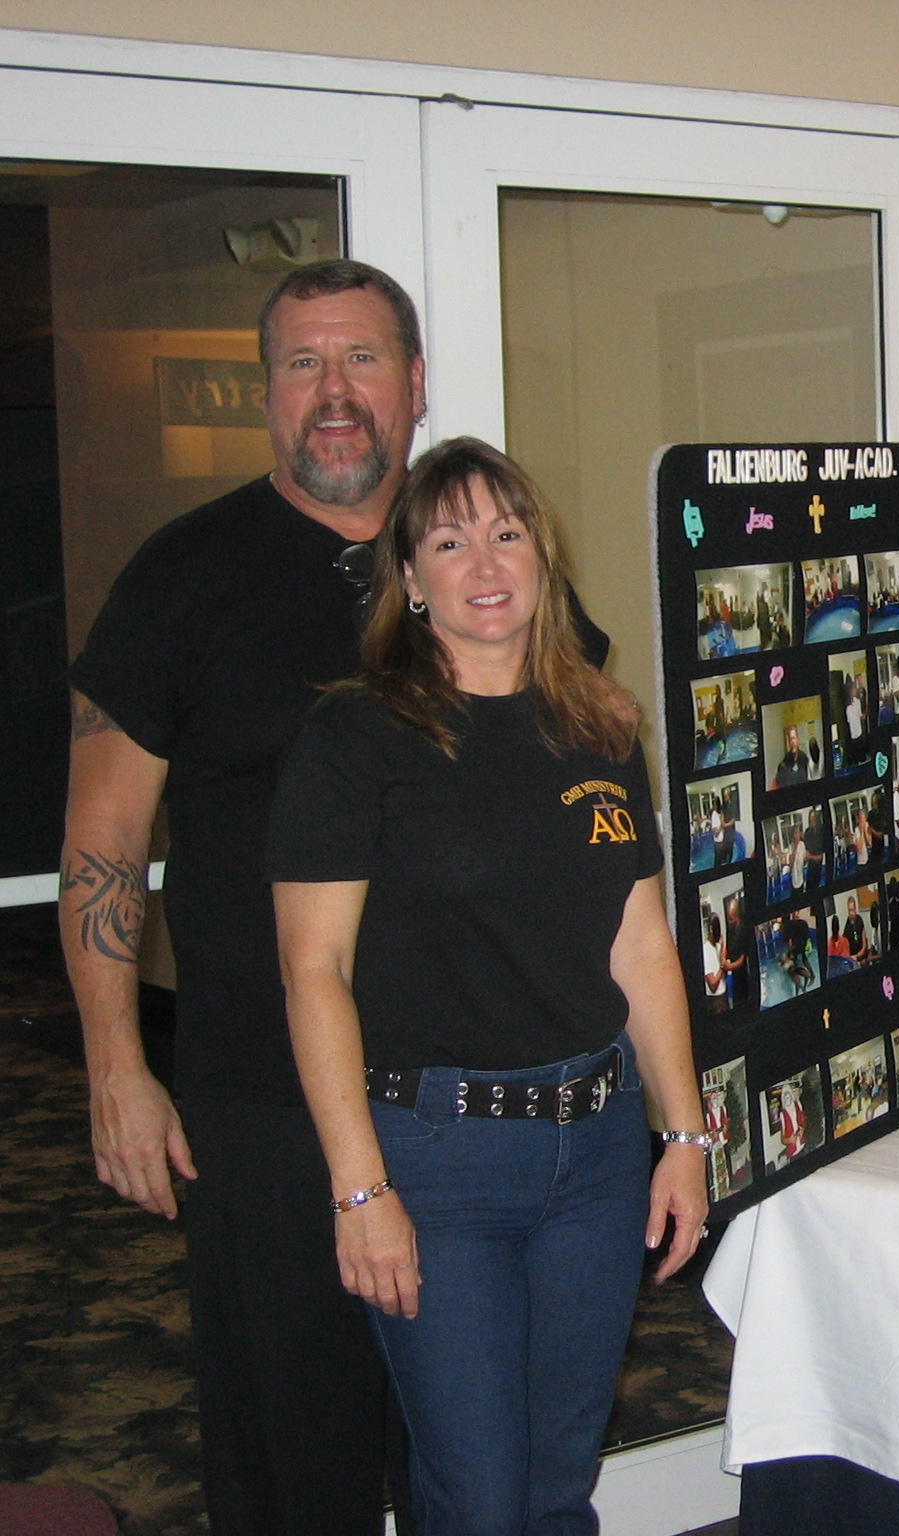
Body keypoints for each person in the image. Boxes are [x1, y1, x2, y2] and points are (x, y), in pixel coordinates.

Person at [60, 261, 573, 1536]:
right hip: (267, 1106)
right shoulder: (182, 577)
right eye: (302, 364)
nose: (333, 392)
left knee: (476, 1468)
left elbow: (572, 810)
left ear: (414, 383)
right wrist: (117, 1067)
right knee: (296, 1467)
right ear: (267, 394)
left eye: (361, 360)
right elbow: (102, 840)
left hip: (468, 1108)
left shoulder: (484, 572)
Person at [268, 437, 712, 1536]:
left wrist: (685, 1138)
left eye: (506, 534)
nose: (484, 563)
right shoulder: (356, 736)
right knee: (476, 1497)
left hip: (597, 1152)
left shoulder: (599, 726)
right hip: (437, 1162)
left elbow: (640, 945)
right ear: (410, 580)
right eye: (449, 541)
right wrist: (360, 1192)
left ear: (541, 557)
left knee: (557, 1487)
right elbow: (314, 973)